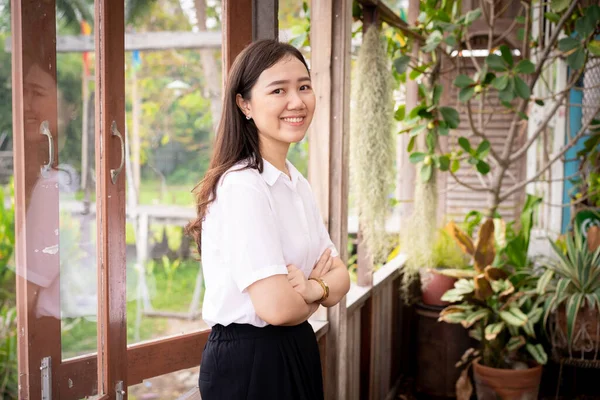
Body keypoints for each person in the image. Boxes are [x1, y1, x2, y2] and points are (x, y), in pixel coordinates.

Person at [186, 39, 351, 400]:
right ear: (244, 104)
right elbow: (276, 308)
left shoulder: (294, 180)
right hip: (250, 362)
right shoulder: (242, 186)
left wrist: (311, 289)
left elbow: (341, 277)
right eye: (278, 90)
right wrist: (317, 294)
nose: (297, 101)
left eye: (304, 86)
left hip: (295, 347)